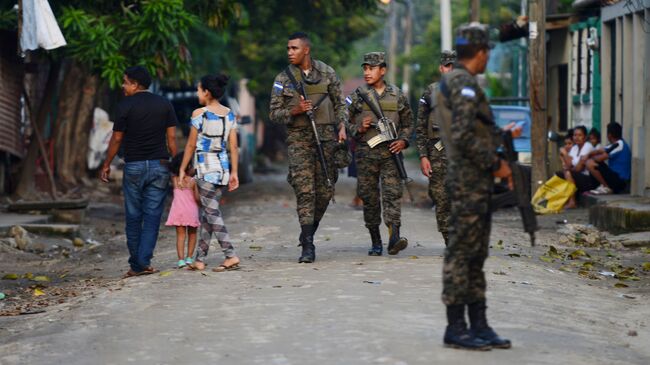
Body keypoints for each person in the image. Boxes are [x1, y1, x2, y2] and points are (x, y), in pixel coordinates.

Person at [436, 23, 514, 350]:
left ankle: (479, 323)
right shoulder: (464, 84)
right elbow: (464, 135)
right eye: (487, 54)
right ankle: (456, 326)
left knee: (476, 254)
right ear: (481, 53)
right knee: (462, 253)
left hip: (473, 182)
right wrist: (496, 164)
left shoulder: (453, 81)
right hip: (468, 181)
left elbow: (472, 130)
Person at [269, 32, 347, 263]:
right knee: (305, 191)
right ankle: (309, 246)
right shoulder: (282, 78)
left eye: (294, 48)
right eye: (288, 48)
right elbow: (273, 113)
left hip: (326, 140)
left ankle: (307, 233)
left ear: (306, 50)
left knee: (324, 192)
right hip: (299, 140)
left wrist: (342, 126)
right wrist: (295, 111)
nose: (289, 52)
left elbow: (340, 103)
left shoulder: (327, 73)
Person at [100, 66, 177, 278]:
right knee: (152, 216)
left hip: (133, 167)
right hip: (160, 166)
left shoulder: (125, 106)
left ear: (135, 84)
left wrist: (106, 163)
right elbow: (171, 140)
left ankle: (137, 263)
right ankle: (142, 262)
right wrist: (177, 166)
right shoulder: (164, 104)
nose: (123, 86)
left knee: (133, 216)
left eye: (125, 82)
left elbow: (117, 138)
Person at [346, 52, 413, 256]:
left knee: (392, 195)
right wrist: (359, 127)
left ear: (382, 70)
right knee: (369, 198)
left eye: (372, 68)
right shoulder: (357, 96)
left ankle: (394, 238)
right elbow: (344, 124)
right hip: (366, 155)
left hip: (391, 154)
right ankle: (375, 240)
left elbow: (409, 123)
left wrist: (403, 140)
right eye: (365, 68)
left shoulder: (398, 95)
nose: (367, 72)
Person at [178, 74, 241, 272]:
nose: (197, 93)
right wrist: (234, 173)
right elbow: (233, 146)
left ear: (207, 92)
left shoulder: (199, 114)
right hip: (222, 169)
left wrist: (182, 168)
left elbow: (190, 144)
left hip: (205, 169)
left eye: (198, 89)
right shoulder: (228, 113)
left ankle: (230, 255)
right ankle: (199, 259)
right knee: (208, 214)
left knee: (212, 213)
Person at [415, 50, 456, 246]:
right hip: (438, 153)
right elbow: (421, 126)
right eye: (448, 66)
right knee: (441, 197)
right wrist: (423, 156)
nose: (451, 70)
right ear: (441, 68)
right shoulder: (431, 92)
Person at [165, 152, 200, 268]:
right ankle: (189, 258)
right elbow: (196, 197)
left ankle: (180, 260)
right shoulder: (193, 181)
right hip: (191, 211)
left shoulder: (174, 179)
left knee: (180, 235)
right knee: (192, 234)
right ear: (188, 166)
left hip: (178, 211)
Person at [586, 122, 631, 195]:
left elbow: (600, 158)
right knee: (590, 162)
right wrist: (588, 155)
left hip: (619, 181)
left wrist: (589, 158)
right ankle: (603, 186)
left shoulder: (619, 144)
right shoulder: (615, 144)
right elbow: (600, 150)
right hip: (615, 178)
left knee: (590, 163)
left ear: (609, 135)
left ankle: (606, 187)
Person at [557, 125, 595, 208]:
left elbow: (578, 168)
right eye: (575, 135)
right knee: (558, 174)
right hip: (578, 177)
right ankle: (563, 200)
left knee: (567, 173)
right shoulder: (574, 148)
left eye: (580, 135)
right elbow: (568, 165)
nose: (577, 137)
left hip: (589, 180)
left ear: (585, 137)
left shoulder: (587, 146)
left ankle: (572, 202)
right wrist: (563, 157)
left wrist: (566, 154)